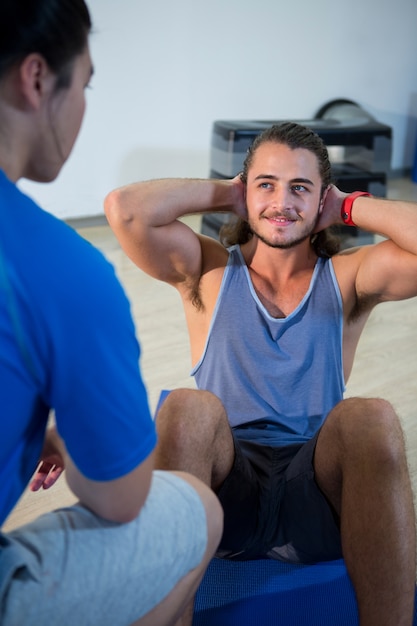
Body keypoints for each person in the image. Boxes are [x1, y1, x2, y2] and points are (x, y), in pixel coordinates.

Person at [105, 121, 417, 626]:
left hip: (315, 495)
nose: (281, 202)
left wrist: (350, 205)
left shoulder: (349, 278)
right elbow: (125, 209)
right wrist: (230, 193)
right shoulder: (205, 270)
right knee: (188, 407)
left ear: (322, 202)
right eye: (266, 184)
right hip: (227, 495)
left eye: (300, 188)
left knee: (373, 417)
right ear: (245, 191)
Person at [0, 2, 223, 625]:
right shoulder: (62, 269)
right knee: (196, 510)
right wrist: (74, 434)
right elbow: (121, 500)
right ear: (38, 78)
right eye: (87, 82)